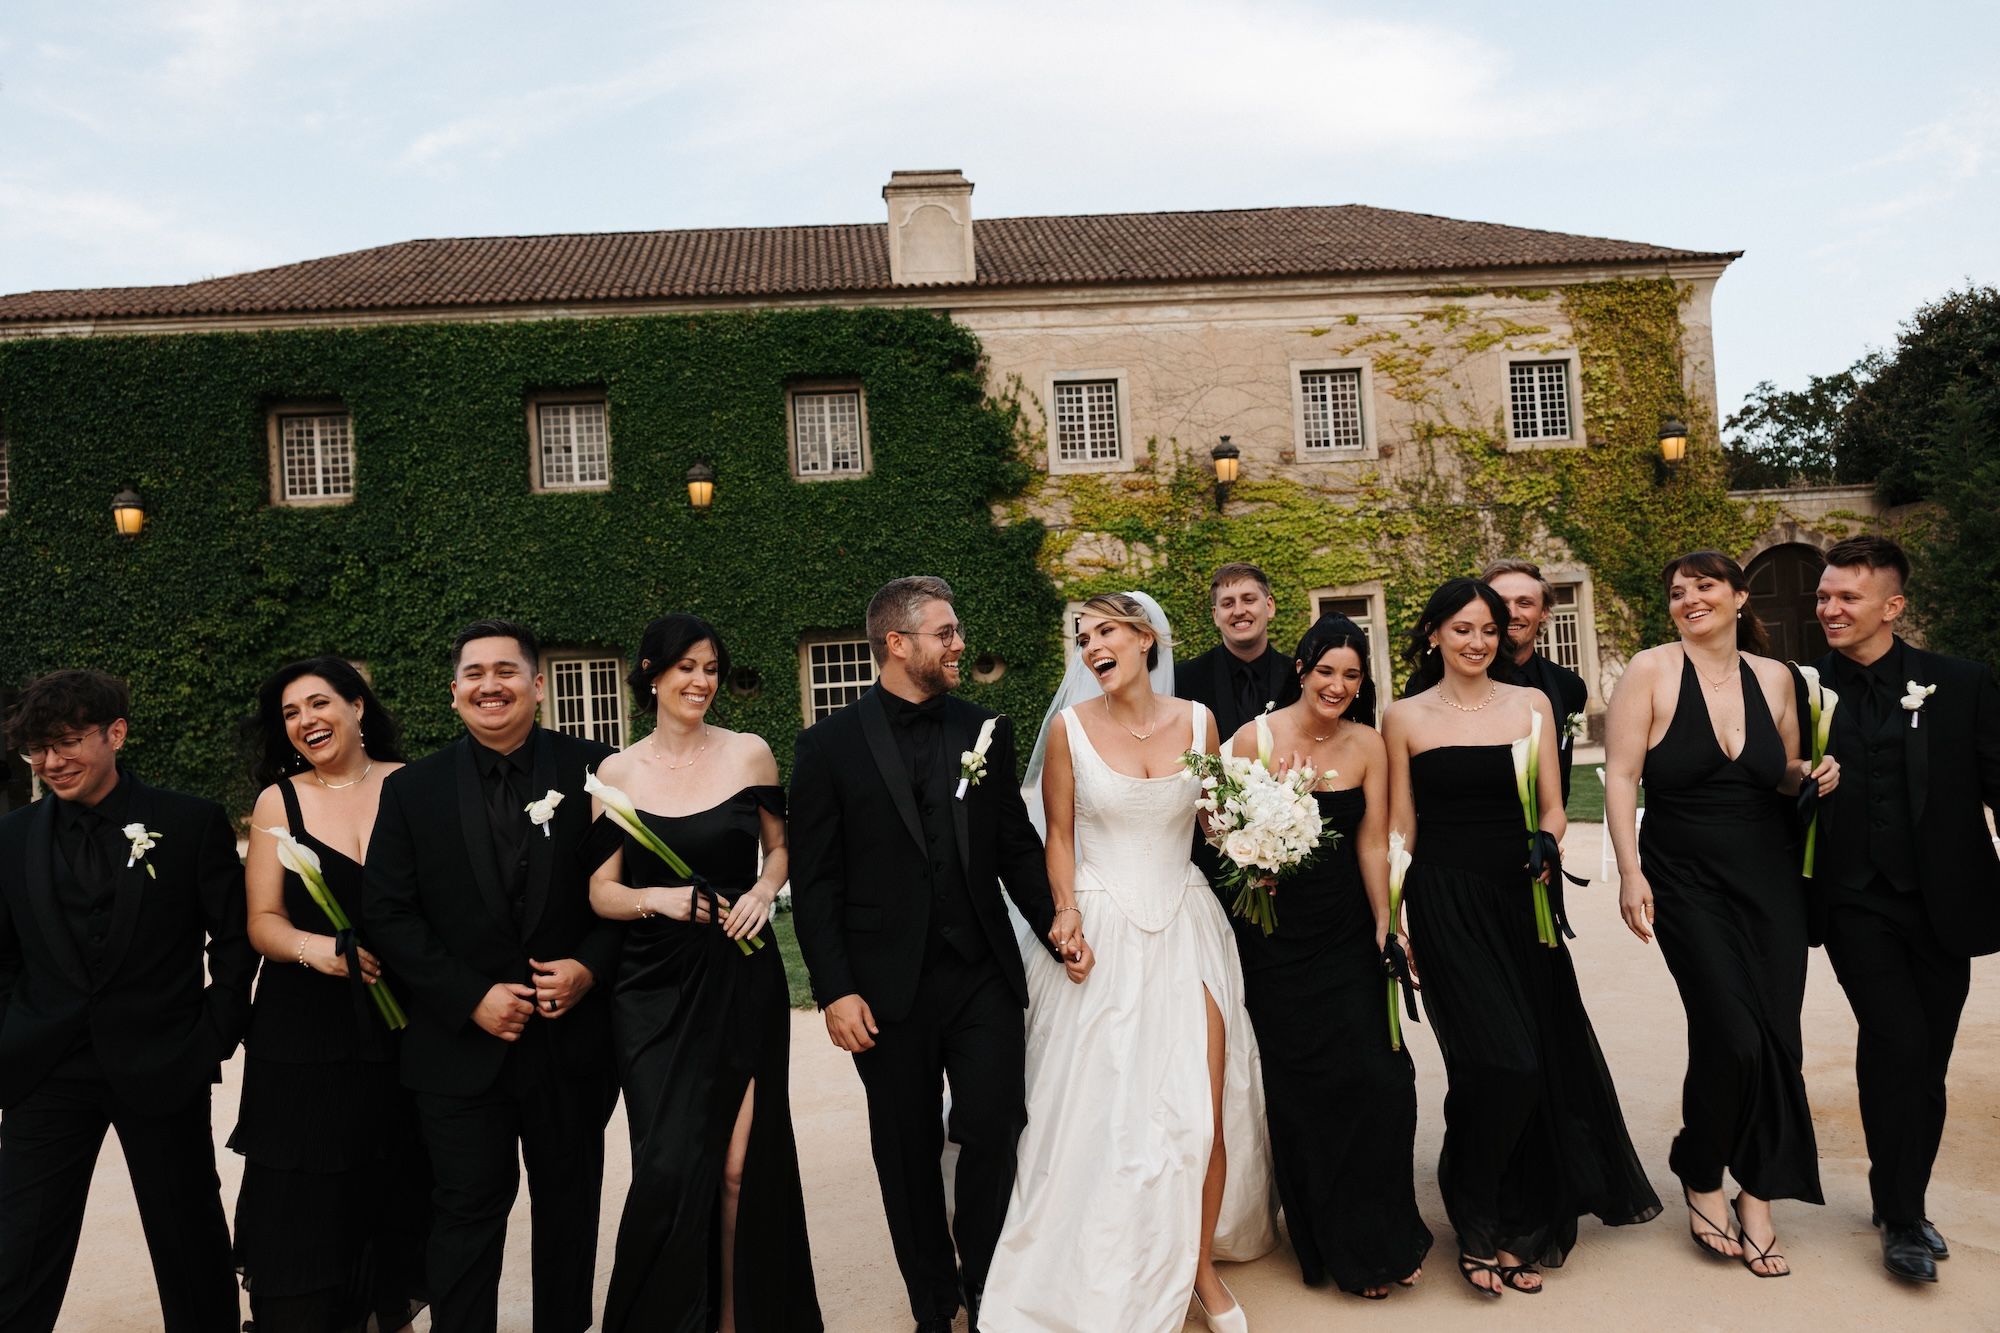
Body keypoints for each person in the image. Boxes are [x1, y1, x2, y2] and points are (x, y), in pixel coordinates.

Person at [789, 576, 1085, 1333]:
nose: (959, 644)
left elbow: (1014, 848)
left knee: (994, 1122)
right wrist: (835, 991)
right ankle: (932, 1297)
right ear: (898, 643)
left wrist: (1060, 919)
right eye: (946, 633)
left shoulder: (986, 728)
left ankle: (984, 1277)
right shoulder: (826, 747)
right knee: (905, 1146)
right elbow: (816, 883)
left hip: (980, 970)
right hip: (884, 990)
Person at [982, 592, 1277, 1333]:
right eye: (1083, 639)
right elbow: (1057, 834)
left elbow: (1211, 821)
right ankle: (1102, 1258)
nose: (1091, 648)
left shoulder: (1200, 721)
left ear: (1146, 638)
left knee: (1203, 1111)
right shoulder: (1067, 729)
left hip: (1187, 923)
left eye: (1105, 632)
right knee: (1102, 1112)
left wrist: (1259, 840)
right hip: (1102, 926)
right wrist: (1066, 913)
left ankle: (1200, 1268)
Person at [1384, 579, 1659, 1300]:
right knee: (1497, 1063)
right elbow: (1403, 825)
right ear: (1434, 633)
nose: (1477, 642)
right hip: (1445, 902)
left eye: (1488, 629)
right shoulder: (1403, 716)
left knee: (1537, 1061)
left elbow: (1554, 807)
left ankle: (1516, 1216)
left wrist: (1546, 840)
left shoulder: (1532, 704)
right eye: (1463, 629)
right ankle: (1474, 1213)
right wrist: (1394, 913)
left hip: (1520, 900)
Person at [363, 620, 621, 1333]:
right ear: (454, 694)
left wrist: (589, 968)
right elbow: (387, 910)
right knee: (466, 1214)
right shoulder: (413, 789)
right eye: (474, 674)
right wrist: (468, 995)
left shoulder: (598, 770)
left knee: (570, 1212)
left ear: (538, 685)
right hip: (456, 1050)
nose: (490, 685)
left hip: (571, 1045)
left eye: (507, 671)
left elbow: (630, 892)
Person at [0, 669, 258, 1332]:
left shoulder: (189, 822)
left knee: (189, 1245)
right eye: (37, 747)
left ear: (116, 733)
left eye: (65, 742)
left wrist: (212, 1030)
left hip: (164, 1061)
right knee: (16, 1250)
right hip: (44, 1070)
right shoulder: (10, 838)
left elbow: (235, 936)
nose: (50, 761)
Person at [1604, 552, 1837, 1279]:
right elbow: (1618, 774)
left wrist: (1815, 772)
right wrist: (1630, 870)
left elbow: (1784, 771)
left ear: (1739, 595)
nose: (1689, 598)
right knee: (1731, 1033)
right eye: (1677, 590)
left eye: (1705, 586)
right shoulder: (1649, 668)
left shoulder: (1780, 678)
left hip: (1768, 880)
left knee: (1777, 1037)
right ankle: (1701, 1168)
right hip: (1682, 875)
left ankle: (1757, 1193)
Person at [588, 615, 820, 1332]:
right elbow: (601, 890)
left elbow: (781, 851)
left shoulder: (751, 754)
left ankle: (730, 1320)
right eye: (686, 666)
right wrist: (655, 897)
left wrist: (760, 892)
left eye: (712, 668)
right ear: (652, 673)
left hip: (738, 972)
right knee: (667, 1167)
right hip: (651, 989)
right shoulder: (617, 773)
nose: (700, 681)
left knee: (738, 1169)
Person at [1225, 614, 1431, 1300]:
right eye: (1325, 671)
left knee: (1383, 1079)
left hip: (1347, 928)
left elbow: (1374, 842)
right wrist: (1253, 841)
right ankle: (1330, 1243)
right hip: (1276, 937)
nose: (1337, 685)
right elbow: (1212, 823)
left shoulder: (1369, 744)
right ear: (1303, 670)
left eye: (1350, 674)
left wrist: (1387, 923)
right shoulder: (1255, 737)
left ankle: (1386, 1233)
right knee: (1303, 1091)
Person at [1812, 535, 2000, 1284]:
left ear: (1893, 605)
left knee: (1928, 1057)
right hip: (1854, 898)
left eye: (1846, 597)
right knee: (1895, 1039)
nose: (1829, 607)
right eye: (1824, 595)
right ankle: (1902, 1214)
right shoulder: (1794, 687)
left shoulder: (1960, 683)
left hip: (1944, 901)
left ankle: (1901, 1193)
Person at [235, 657, 432, 1330]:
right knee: (304, 1202)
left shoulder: (417, 786)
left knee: (390, 1190)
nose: (305, 721)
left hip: (401, 1028)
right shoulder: (277, 802)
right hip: (303, 1037)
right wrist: (318, 950)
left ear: (356, 705)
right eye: (291, 713)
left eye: (318, 703)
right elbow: (261, 920)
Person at [1483, 560, 1591, 805]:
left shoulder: (1569, 687)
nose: (1512, 613)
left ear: (1544, 611)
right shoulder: (1439, 684)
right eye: (1500, 603)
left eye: (1525, 602)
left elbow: (1561, 774)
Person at [1175, 563, 1289, 740]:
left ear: (1270, 606)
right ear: (1215, 615)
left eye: (1249, 600)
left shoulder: (1297, 676)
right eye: (1228, 604)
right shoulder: (1184, 680)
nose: (1239, 611)